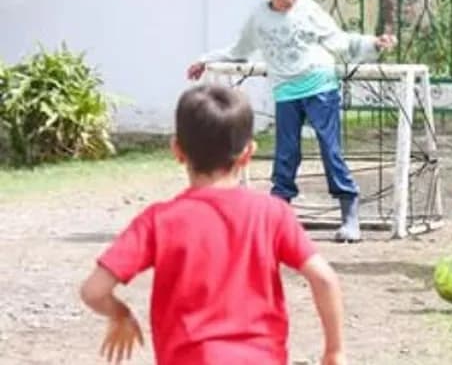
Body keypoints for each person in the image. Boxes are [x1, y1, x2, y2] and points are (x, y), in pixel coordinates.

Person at [79, 84, 346, 365]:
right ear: (248, 153)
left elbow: (93, 291)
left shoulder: (159, 221)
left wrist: (120, 313)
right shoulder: (272, 214)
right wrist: (334, 351)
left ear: (177, 150)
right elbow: (324, 278)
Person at [186, 0, 396, 243]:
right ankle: (278, 214)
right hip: (286, 91)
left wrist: (372, 43)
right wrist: (205, 60)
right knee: (286, 153)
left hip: (320, 85)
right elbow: (238, 50)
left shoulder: (308, 9)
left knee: (329, 148)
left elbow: (338, 40)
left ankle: (349, 212)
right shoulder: (258, 18)